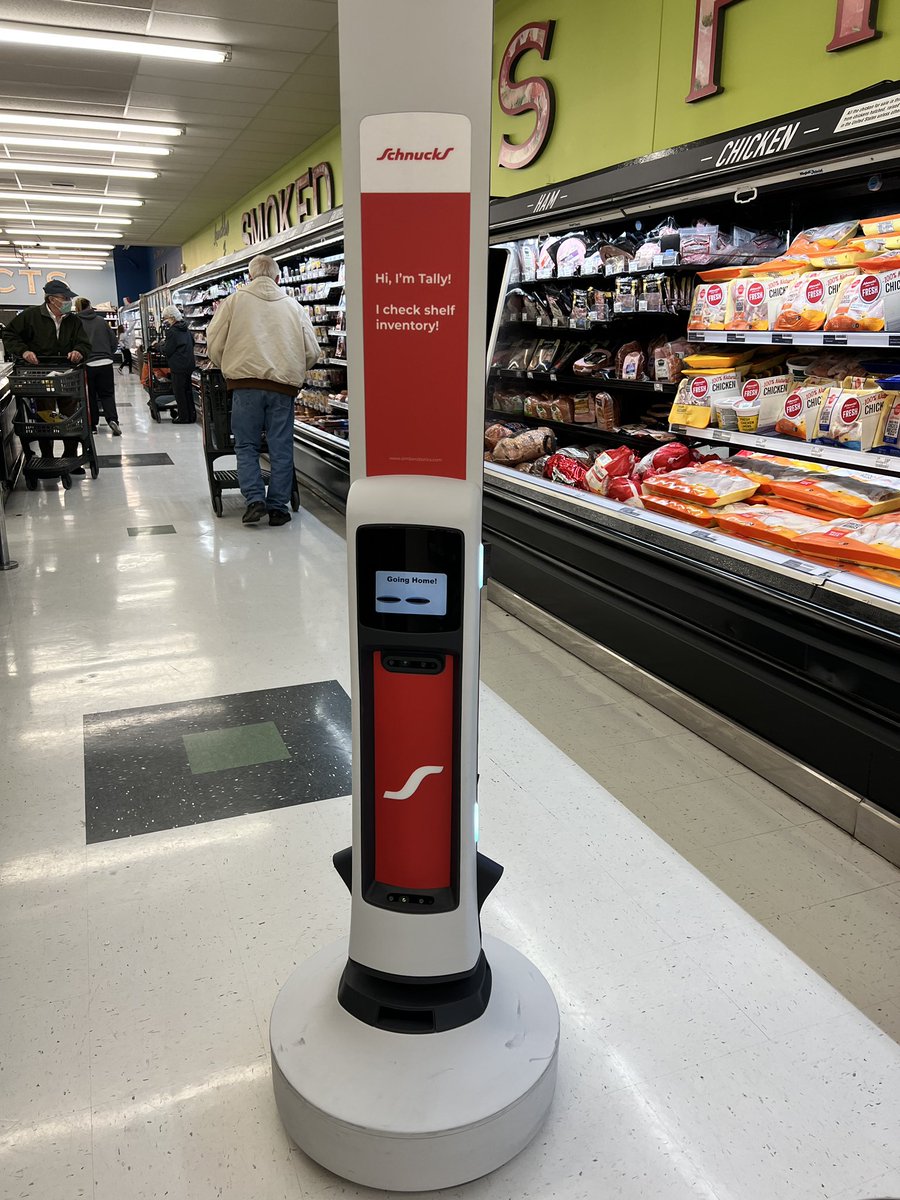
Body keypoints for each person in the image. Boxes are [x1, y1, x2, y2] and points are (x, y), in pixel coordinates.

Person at [207, 254, 320, 526]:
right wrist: (293, 369)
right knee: (280, 447)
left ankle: (255, 500)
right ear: (278, 278)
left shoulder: (233, 302)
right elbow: (312, 351)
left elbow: (214, 342)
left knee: (246, 445)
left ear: (249, 277)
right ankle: (278, 507)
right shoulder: (294, 306)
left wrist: (228, 366)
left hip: (245, 386)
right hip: (283, 388)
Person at [1, 279, 92, 468]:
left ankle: (71, 457)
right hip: (41, 376)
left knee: (70, 418)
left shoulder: (73, 320)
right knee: (45, 417)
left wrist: (79, 351)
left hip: (67, 375)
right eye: (65, 298)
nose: (69, 301)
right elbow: (9, 334)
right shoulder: (30, 316)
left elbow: (84, 343)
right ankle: (48, 457)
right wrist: (24, 351)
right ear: (51, 299)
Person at [74, 297, 121, 436]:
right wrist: (108, 354)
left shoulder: (76, 323)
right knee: (107, 395)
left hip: (87, 364)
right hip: (106, 363)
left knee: (90, 396)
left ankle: (92, 425)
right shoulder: (101, 321)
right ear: (90, 306)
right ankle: (113, 420)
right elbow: (113, 341)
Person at [157, 305, 196, 423]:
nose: (165, 321)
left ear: (172, 318)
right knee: (188, 391)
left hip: (178, 366)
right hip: (189, 364)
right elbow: (192, 343)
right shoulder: (186, 329)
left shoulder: (172, 331)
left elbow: (167, 350)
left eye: (166, 319)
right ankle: (191, 415)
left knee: (179, 392)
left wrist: (158, 346)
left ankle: (183, 417)